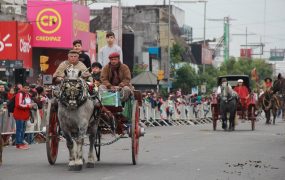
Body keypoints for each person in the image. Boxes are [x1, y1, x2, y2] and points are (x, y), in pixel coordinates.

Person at [13, 83, 36, 150]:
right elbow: (18, 105)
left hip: (25, 115)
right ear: (22, 88)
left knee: (23, 130)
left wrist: (31, 105)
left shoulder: (27, 95)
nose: (26, 89)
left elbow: (27, 103)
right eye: (25, 88)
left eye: (28, 88)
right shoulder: (19, 94)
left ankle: (21, 143)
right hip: (19, 115)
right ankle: (18, 143)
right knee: (19, 130)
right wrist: (29, 106)